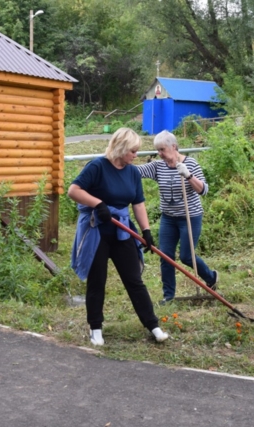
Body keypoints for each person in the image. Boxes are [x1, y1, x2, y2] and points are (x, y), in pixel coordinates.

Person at [69, 127, 169, 346]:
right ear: (121, 148)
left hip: (121, 231)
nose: (136, 155)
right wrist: (98, 203)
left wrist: (146, 231)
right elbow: (73, 190)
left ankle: (153, 325)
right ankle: (95, 328)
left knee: (134, 280)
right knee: (97, 281)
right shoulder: (97, 166)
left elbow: (138, 203)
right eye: (132, 151)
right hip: (97, 231)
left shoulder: (133, 172)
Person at [136, 130, 218, 304]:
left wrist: (188, 175)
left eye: (163, 149)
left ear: (173, 147)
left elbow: (203, 190)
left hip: (190, 216)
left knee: (187, 256)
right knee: (166, 256)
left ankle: (211, 277)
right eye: (158, 150)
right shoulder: (158, 167)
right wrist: (116, 160)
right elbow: (135, 171)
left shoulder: (191, 163)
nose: (160, 154)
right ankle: (169, 296)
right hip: (168, 218)